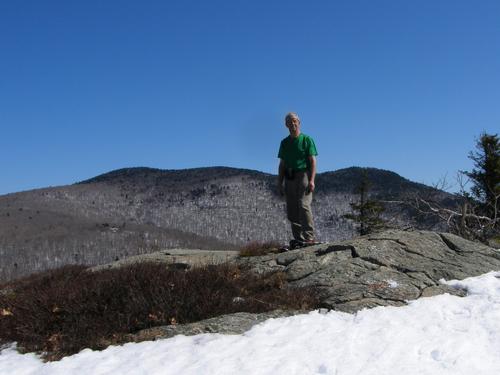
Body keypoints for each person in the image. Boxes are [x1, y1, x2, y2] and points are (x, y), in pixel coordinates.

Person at [277, 112, 318, 245]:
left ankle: (309, 237)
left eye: (295, 121)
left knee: (303, 204)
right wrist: (279, 182)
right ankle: (299, 238)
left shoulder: (306, 140)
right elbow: (282, 164)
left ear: (299, 122)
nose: (292, 123)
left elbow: (312, 161)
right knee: (292, 208)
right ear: (286, 125)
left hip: (303, 175)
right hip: (289, 176)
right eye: (289, 121)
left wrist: (312, 180)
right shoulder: (284, 143)